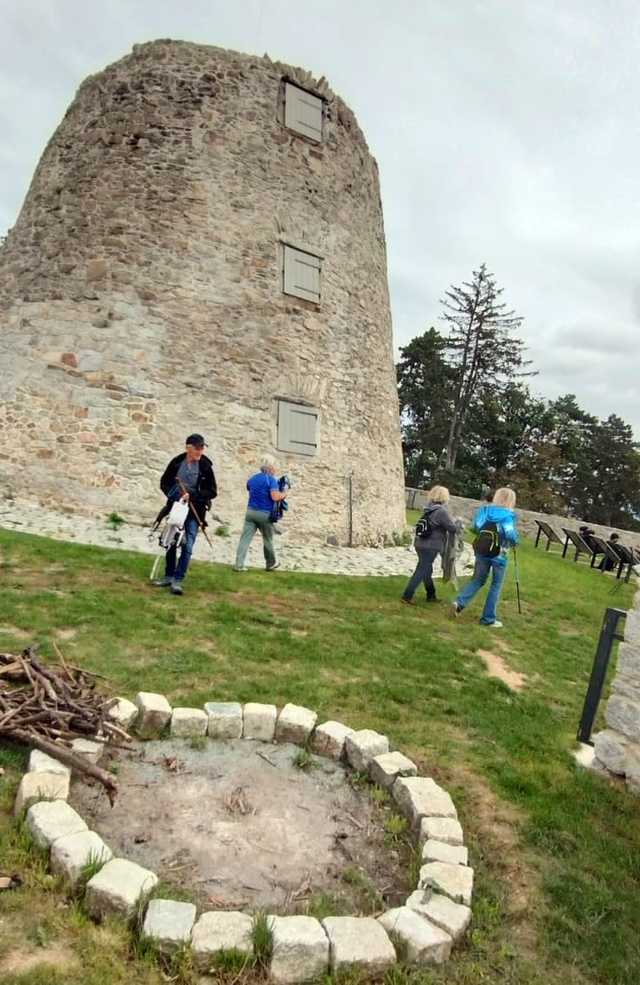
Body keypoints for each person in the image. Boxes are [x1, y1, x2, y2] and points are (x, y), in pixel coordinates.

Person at [153, 434, 217, 595]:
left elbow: (212, 491)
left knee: (187, 546)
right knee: (171, 541)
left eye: (202, 447)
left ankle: (178, 580)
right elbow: (164, 482)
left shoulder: (205, 466)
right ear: (188, 447)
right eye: (198, 447)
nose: (201, 450)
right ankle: (168, 576)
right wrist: (174, 494)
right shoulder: (176, 463)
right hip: (176, 507)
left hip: (195, 511)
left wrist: (193, 495)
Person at [452, 487, 518, 628]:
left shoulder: (485, 511)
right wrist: (515, 542)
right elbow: (510, 534)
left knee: (477, 580)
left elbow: (475, 527)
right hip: (500, 554)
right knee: (496, 585)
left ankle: (460, 603)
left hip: (482, 550)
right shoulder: (508, 515)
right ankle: (488, 618)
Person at [401, 486, 459, 605]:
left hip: (420, 542)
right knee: (422, 570)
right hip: (431, 545)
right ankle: (407, 595)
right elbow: (452, 528)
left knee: (426, 570)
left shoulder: (428, 508)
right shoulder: (441, 511)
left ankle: (431, 594)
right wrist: (459, 525)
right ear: (445, 497)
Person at [233, 455, 288, 572]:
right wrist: (284, 493)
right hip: (264, 513)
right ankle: (270, 564)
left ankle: (238, 565)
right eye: (274, 466)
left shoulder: (252, 479)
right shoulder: (271, 480)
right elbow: (275, 497)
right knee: (268, 539)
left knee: (245, 539)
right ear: (270, 467)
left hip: (250, 512)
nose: (275, 469)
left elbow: (249, 487)